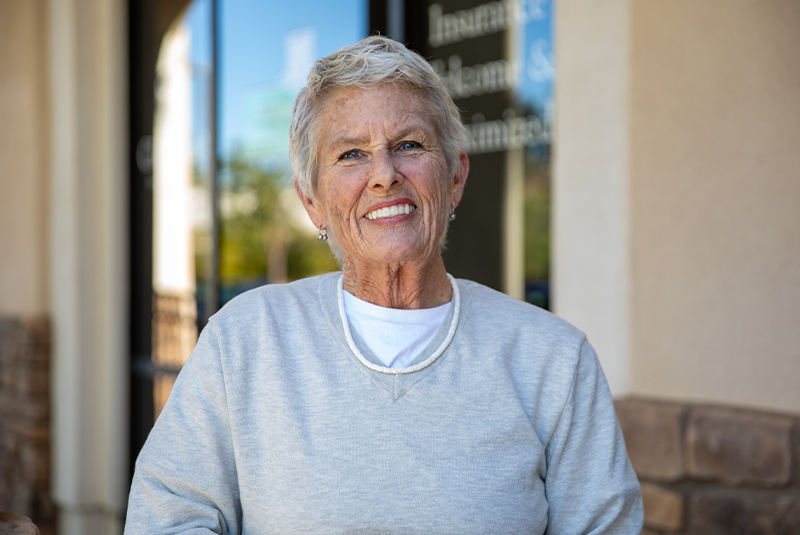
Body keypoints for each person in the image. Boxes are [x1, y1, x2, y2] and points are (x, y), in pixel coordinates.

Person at [125, 36, 643, 534]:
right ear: (313, 201)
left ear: (455, 178)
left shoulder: (554, 359)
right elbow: (167, 518)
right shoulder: (243, 342)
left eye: (409, 145)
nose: (384, 175)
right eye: (351, 154)